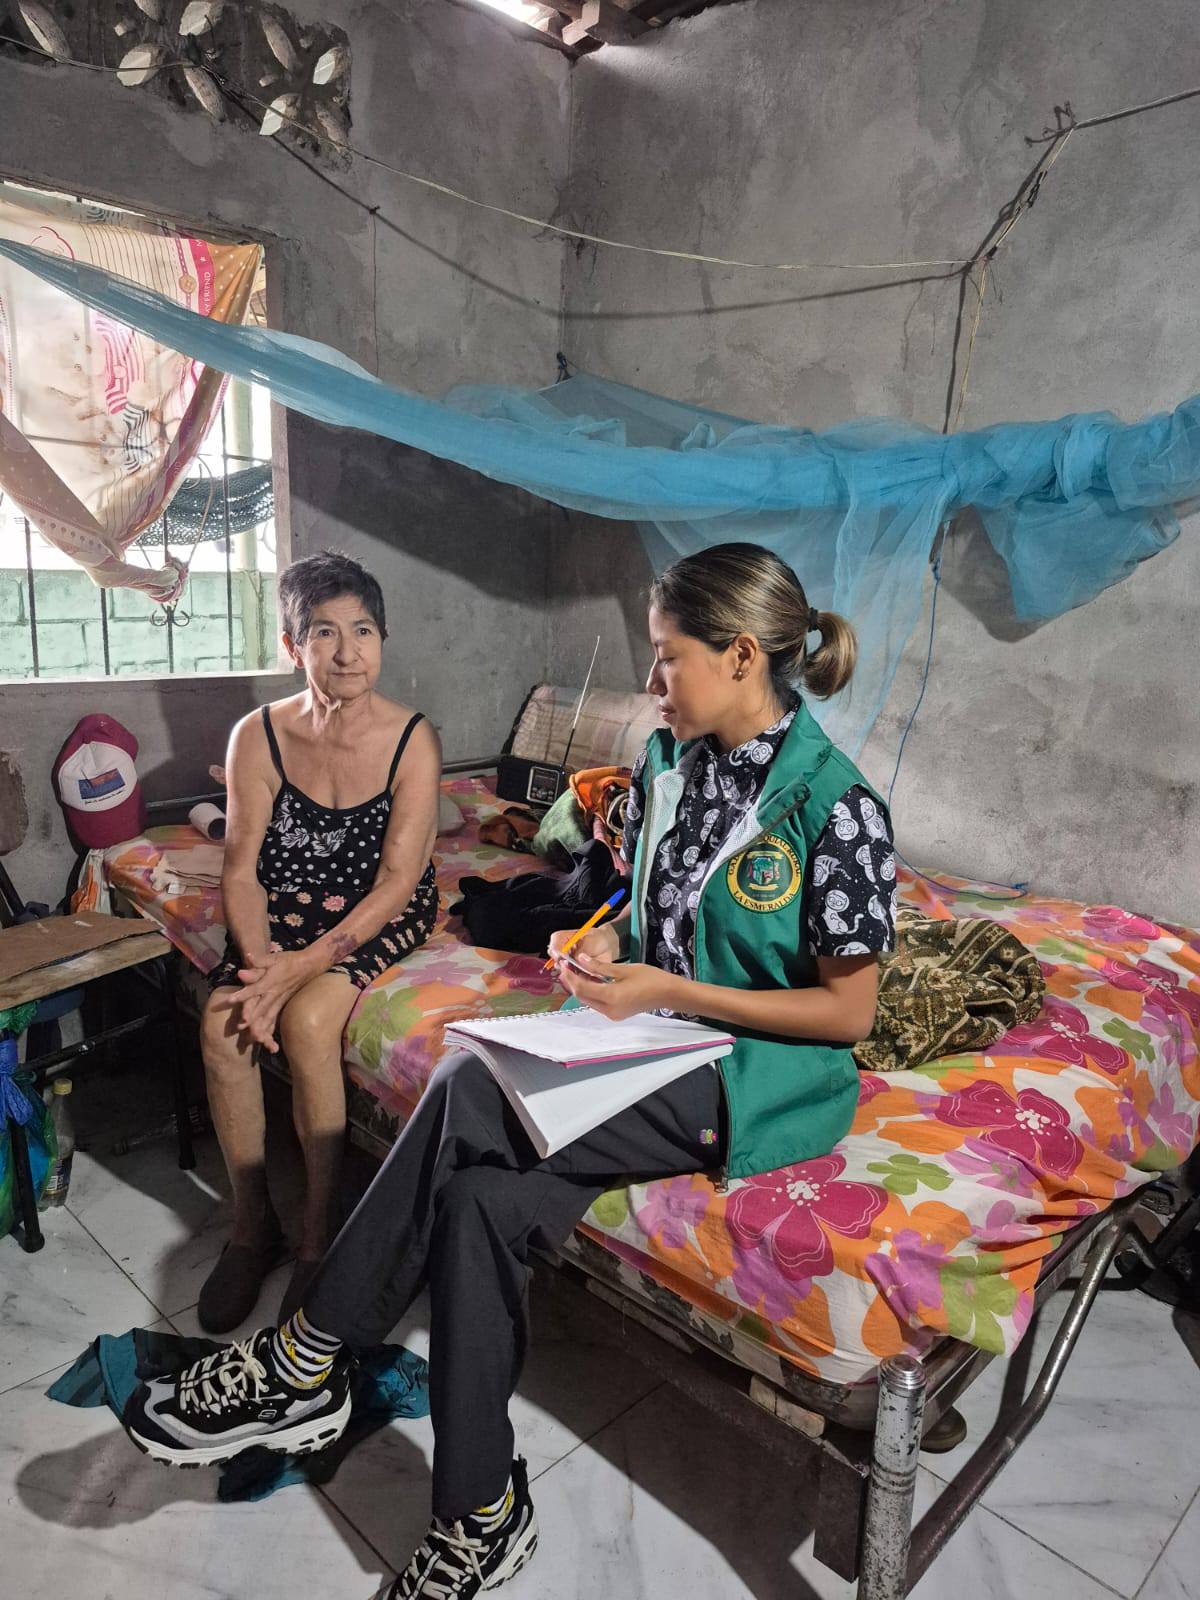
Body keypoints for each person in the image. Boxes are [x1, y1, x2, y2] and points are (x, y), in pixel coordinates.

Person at [122, 542, 896, 1599]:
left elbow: (849, 1013)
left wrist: (667, 992)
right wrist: (607, 941)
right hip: (649, 1047)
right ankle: (480, 1514)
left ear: (742, 656)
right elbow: (650, 910)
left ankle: (308, 1354)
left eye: (667, 657)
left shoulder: (835, 806)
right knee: (479, 1201)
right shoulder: (669, 764)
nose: (653, 680)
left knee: (473, 1082)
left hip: (752, 1073)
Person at [195, 550, 440, 1332]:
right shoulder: (257, 736)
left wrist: (298, 972)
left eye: (363, 630)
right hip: (286, 910)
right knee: (222, 1026)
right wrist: (260, 967)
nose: (347, 653)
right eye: (324, 633)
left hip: (374, 910)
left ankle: (316, 1236)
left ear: (382, 638)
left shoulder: (411, 740)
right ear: (291, 646)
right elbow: (241, 869)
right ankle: (251, 1228)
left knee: (306, 1022)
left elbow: (398, 881)